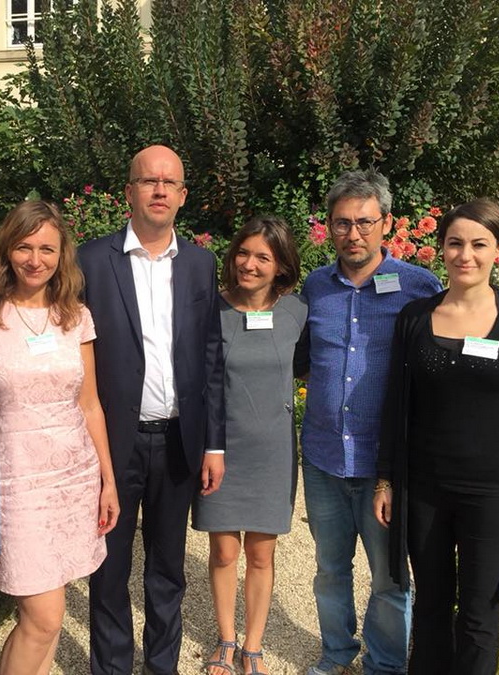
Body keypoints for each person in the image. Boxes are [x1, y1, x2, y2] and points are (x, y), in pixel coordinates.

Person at [373, 199, 499, 674]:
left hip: (496, 493)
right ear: (442, 248)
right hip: (427, 490)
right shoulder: (415, 317)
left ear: (498, 249)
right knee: (432, 608)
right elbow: (397, 403)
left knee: (480, 615)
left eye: (479, 244)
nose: (465, 255)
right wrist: (386, 480)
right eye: (455, 243)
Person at [78, 144, 226, 675]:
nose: (159, 190)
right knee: (109, 567)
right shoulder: (91, 261)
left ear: (183, 197)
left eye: (169, 183)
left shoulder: (200, 264)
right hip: (113, 444)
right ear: (129, 192)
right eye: (148, 181)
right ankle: (112, 668)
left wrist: (213, 441)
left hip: (178, 441)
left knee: (168, 568)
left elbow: (211, 357)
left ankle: (161, 665)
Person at [0, 199, 119, 674]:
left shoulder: (75, 317)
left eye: (46, 249)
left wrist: (108, 481)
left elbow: (89, 403)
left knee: (50, 611)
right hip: (17, 483)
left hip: (74, 477)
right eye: (24, 247)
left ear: (61, 254)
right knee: (44, 617)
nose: (35, 260)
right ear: (7, 251)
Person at [294, 169, 441, 675]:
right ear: (329, 227)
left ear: (386, 224)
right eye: (341, 223)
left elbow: (467, 323)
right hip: (323, 458)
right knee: (330, 570)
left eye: (364, 222)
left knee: (390, 578)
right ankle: (336, 652)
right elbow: (296, 354)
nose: (352, 234)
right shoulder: (316, 286)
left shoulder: (420, 288)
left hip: (387, 466)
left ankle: (384, 665)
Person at [191, 216, 307, 675]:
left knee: (261, 553)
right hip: (221, 446)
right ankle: (224, 638)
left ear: (280, 266)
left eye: (263, 257)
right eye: (243, 253)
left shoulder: (297, 310)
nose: (249, 264)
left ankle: (252, 645)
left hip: (273, 449)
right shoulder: (210, 311)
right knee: (222, 551)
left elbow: (306, 365)